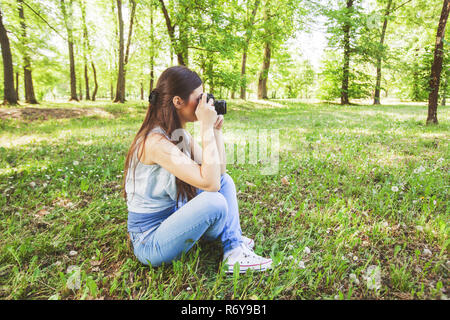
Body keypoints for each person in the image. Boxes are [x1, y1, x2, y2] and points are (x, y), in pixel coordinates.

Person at [122, 65, 272, 273]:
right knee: (214, 199)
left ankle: (233, 248)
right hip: (149, 241)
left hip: (172, 220)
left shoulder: (177, 133)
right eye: (199, 97)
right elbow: (209, 184)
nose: (204, 102)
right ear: (178, 102)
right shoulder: (155, 142)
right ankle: (233, 247)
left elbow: (218, 173)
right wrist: (204, 128)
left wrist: (215, 131)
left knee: (225, 182)